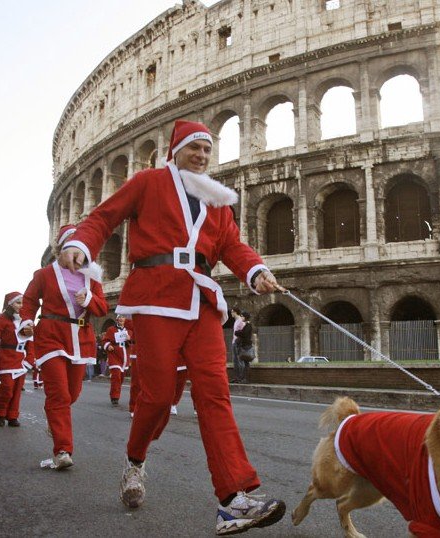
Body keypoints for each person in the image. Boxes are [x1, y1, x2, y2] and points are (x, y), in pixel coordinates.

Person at [59, 119, 286, 535]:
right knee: (160, 394)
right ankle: (135, 459)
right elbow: (104, 217)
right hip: (155, 296)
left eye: (207, 150)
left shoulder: (218, 202)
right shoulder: (148, 182)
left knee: (215, 393)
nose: (201, 156)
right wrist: (80, 244)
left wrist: (255, 271)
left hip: (201, 299)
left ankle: (233, 499)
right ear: (175, 150)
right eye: (194, 148)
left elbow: (233, 246)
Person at [19, 224, 108, 470]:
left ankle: (56, 420)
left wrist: (89, 299)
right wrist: (27, 321)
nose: (77, 255)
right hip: (51, 335)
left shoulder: (92, 277)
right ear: (62, 249)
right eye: (72, 246)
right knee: (58, 394)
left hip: (81, 338)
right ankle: (62, 450)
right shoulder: (45, 274)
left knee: (72, 394)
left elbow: (102, 308)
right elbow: (28, 301)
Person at [0, 292, 35, 427]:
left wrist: (30, 358)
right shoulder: (1, 320)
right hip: (5, 357)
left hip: (20, 358)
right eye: (18, 303)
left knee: (17, 389)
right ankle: (1, 412)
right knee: (7, 387)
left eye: (22, 303)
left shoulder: (25, 320)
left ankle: (12, 416)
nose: (21, 306)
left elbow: (31, 341)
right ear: (10, 304)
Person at [103, 315, 129, 406]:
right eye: (120, 317)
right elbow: (105, 340)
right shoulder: (111, 329)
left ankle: (115, 392)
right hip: (114, 355)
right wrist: (108, 345)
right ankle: (115, 397)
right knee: (116, 376)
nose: (122, 319)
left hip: (125, 356)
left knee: (121, 378)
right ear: (117, 319)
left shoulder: (129, 330)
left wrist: (129, 339)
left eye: (124, 317)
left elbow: (134, 341)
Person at [124, 317, 139, 418]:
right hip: (138, 350)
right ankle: (134, 407)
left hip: (155, 351)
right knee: (137, 382)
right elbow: (127, 321)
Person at [233, 311, 254, 384]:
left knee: (246, 363)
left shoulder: (248, 325)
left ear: (245, 317)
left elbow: (244, 334)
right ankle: (243, 378)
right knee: (245, 363)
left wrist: (237, 332)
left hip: (246, 346)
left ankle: (245, 379)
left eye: (242, 316)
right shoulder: (246, 325)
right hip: (244, 345)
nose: (241, 317)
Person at [230, 307, 244, 383]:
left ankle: (241, 378)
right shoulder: (236, 321)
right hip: (234, 342)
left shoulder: (240, 321)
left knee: (239, 360)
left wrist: (239, 341)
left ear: (235, 312)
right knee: (235, 361)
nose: (231, 313)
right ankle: (236, 377)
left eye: (232, 312)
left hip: (238, 343)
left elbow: (242, 333)